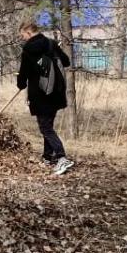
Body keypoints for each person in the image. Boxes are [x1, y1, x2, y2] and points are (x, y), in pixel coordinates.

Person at [17, 17, 75, 176]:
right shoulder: (51, 43)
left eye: (23, 35)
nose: (23, 38)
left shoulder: (28, 49)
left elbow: (23, 75)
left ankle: (62, 158)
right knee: (48, 124)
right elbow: (66, 61)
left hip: (41, 94)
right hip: (56, 92)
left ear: (29, 33)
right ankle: (47, 157)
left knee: (45, 127)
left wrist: (20, 84)